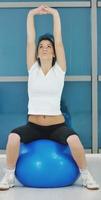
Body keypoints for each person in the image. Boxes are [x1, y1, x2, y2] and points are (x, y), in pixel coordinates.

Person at [0, 5, 99, 191]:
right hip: (33, 126)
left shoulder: (59, 70)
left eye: (49, 46)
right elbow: (30, 40)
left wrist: (54, 13)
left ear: (54, 52)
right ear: (37, 52)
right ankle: (9, 176)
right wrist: (31, 14)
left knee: (74, 141)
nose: (45, 48)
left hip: (56, 126)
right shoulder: (33, 69)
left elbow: (59, 40)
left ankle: (86, 176)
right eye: (41, 47)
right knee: (13, 137)